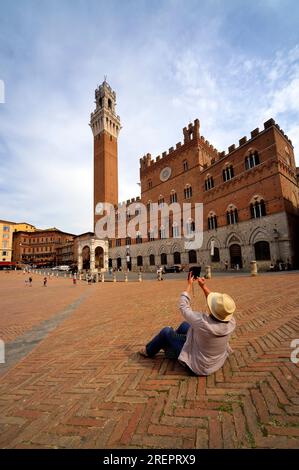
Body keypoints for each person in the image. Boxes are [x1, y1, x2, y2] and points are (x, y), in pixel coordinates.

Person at [139, 274, 236, 376]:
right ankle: (171, 344)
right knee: (184, 325)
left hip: (198, 365)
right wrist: (203, 286)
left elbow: (183, 306)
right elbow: (217, 306)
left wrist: (189, 285)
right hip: (216, 361)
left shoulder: (203, 323)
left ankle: (149, 351)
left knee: (166, 332)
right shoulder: (231, 321)